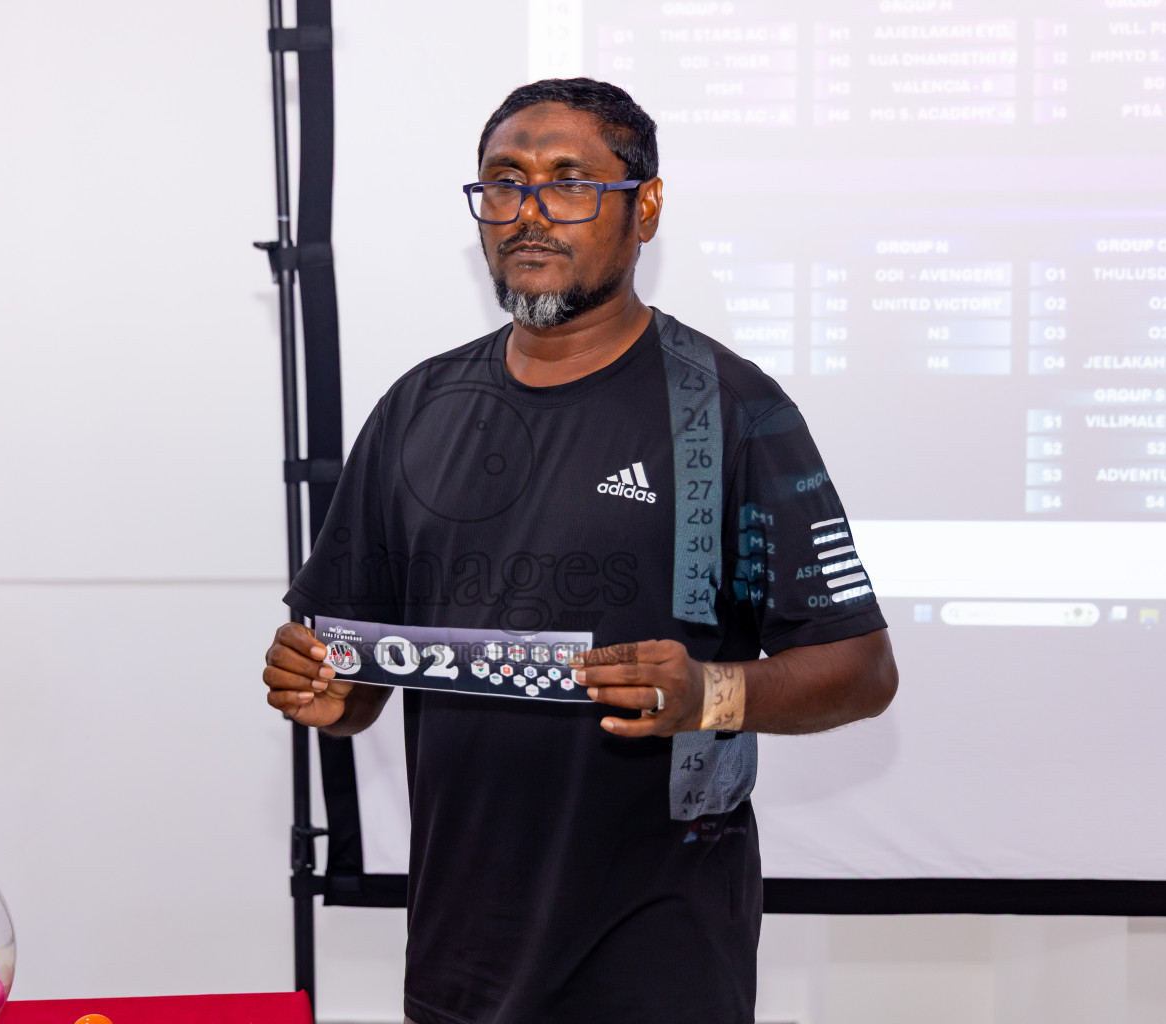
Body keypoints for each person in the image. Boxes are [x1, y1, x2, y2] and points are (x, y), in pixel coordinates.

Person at [262, 78, 898, 1024]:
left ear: (643, 208)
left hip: (659, 954)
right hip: (459, 951)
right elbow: (354, 684)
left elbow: (861, 669)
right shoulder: (416, 412)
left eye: (568, 183)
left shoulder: (731, 409)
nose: (529, 213)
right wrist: (323, 686)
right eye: (504, 183)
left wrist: (710, 694)